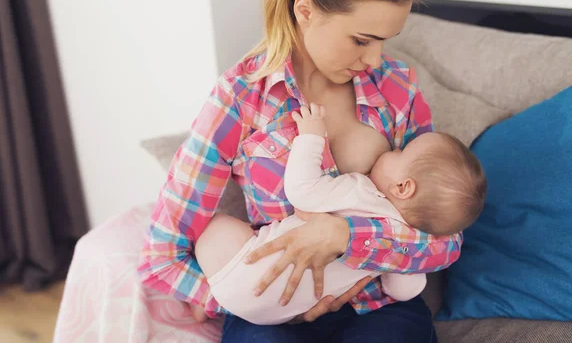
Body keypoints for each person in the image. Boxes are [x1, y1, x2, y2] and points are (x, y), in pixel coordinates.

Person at [138, 0, 464, 341]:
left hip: (376, 307)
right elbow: (164, 252)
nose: (376, 59)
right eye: (362, 40)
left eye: (386, 40)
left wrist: (346, 236)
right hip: (274, 315)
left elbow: (445, 238)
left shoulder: (397, 89)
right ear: (305, 10)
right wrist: (249, 302)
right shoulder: (241, 99)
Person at [195, 103, 486, 326]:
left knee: (215, 224)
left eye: (402, 151)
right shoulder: (402, 251)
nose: (396, 146)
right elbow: (403, 292)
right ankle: (216, 297)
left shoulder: (362, 192)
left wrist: (310, 136)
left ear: (403, 187)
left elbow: (302, 190)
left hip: (250, 270)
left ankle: (208, 297)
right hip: (281, 312)